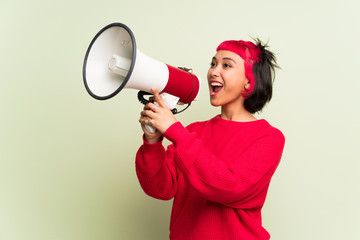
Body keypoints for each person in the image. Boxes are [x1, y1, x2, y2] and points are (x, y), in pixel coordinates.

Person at [136, 39, 285, 240]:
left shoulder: (269, 138)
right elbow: (161, 189)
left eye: (226, 65)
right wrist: (152, 143)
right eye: (213, 64)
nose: (214, 71)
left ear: (248, 83)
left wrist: (174, 130)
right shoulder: (192, 132)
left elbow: (229, 186)